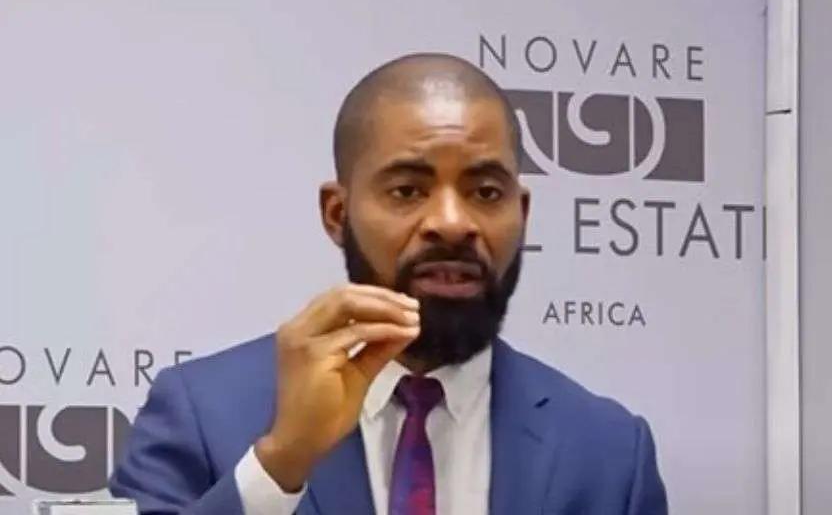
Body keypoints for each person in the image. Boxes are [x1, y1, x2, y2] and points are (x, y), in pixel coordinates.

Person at [109, 53, 668, 515]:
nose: (452, 222)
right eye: (407, 190)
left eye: (486, 193)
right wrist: (280, 464)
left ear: (522, 214)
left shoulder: (611, 453)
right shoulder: (201, 413)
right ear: (337, 213)